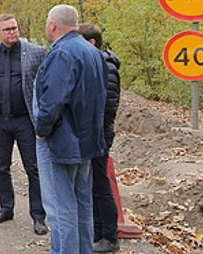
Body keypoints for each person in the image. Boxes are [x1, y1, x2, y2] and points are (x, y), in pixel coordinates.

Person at [34, 5, 107, 254]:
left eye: (46, 23)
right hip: (86, 141)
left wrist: (41, 130)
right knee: (82, 207)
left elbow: (52, 100)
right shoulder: (94, 52)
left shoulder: (62, 53)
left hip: (61, 142)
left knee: (60, 211)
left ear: (53, 25)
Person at [0, 14, 48, 235]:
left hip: (25, 120)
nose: (12, 32)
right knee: (0, 167)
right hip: (0, 120)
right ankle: (6, 208)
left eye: (15, 28)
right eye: (7, 29)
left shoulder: (36, 52)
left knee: (34, 168)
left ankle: (39, 216)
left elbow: (43, 84)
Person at [79, 23, 122, 253]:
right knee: (93, 183)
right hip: (93, 132)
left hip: (99, 133)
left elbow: (107, 106)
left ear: (92, 43)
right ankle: (97, 232)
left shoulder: (106, 67)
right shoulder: (98, 63)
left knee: (100, 184)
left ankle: (110, 236)